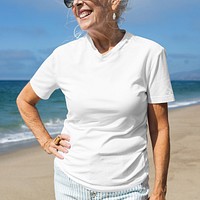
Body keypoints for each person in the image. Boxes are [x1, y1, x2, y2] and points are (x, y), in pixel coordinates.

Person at [16, 0, 175, 199]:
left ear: (114, 2)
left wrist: (160, 188)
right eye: (70, 1)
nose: (76, 3)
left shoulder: (149, 53)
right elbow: (24, 100)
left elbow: (159, 128)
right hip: (70, 183)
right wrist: (45, 141)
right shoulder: (64, 56)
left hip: (129, 189)